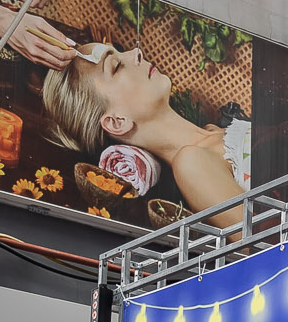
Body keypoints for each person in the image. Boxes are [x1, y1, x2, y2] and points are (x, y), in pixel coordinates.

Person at [40, 45, 250, 225]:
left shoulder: (216, 131)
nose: (136, 52)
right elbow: (268, 245)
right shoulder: (191, 165)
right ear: (117, 121)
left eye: (120, 52)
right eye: (116, 66)